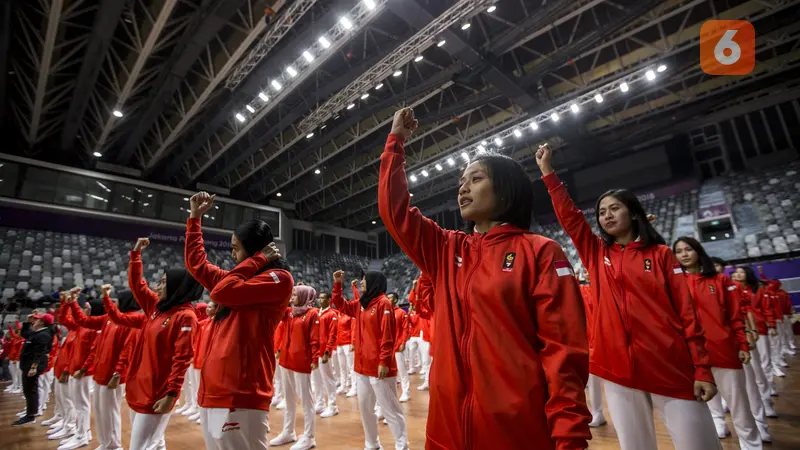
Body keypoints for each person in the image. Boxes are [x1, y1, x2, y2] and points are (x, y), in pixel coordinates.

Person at [379, 108, 591, 449]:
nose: (463, 188)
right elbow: (394, 211)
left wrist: (570, 433)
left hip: (516, 434)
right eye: (461, 182)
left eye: (476, 179)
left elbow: (563, 351)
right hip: (446, 432)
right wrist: (396, 143)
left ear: (506, 190)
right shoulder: (446, 249)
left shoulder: (541, 252)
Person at [535, 142, 719, 450]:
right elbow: (571, 219)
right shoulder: (596, 253)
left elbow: (688, 313)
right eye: (602, 212)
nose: (606, 216)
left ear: (634, 214)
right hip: (617, 371)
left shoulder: (661, 255)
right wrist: (548, 174)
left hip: (670, 367)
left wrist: (701, 368)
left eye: (615, 208)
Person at [184, 191, 293, 450]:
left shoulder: (278, 279)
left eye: (236, 248)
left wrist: (256, 261)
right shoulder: (237, 278)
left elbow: (222, 292)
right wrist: (195, 218)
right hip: (214, 390)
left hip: (242, 392)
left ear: (255, 250)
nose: (232, 255)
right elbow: (196, 265)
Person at [674, 237, 761, 449]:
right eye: (678, 251)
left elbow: (734, 316)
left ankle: (751, 444)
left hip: (724, 350)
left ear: (698, 251)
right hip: (693, 356)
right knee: (710, 404)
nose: (684, 254)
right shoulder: (675, 283)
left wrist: (742, 343)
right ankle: (720, 424)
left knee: (739, 405)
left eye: (688, 249)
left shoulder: (721, 281)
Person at [125, 237, 201, 450]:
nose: (157, 286)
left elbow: (182, 357)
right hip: (141, 385)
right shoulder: (157, 307)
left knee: (138, 446)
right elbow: (137, 286)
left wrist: (171, 394)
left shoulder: (186, 317)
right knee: (155, 444)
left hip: (157, 391)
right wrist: (136, 256)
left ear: (178, 287)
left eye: (163, 282)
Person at [331, 269, 409, 450]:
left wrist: (383, 361)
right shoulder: (361, 304)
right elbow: (340, 304)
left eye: (365, 279)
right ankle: (372, 444)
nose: (362, 281)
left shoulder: (383, 304)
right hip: (361, 367)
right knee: (366, 409)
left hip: (379, 367)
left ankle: (402, 445)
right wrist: (337, 284)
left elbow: (387, 336)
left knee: (390, 410)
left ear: (374, 282)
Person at [68, 286, 139, 450]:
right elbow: (84, 321)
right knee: (100, 411)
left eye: (118, 300)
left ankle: (114, 445)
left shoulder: (131, 320)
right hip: (100, 373)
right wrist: (73, 304)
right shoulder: (110, 318)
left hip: (112, 375)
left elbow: (127, 350)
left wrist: (118, 373)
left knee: (110, 412)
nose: (116, 303)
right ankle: (105, 443)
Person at [271, 286, 320, 449]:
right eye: (291, 294)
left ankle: (309, 436)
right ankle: (288, 431)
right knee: (289, 399)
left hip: (302, 361)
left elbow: (315, 339)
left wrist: (314, 359)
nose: (292, 297)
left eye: (294, 294)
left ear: (304, 296)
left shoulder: (312, 313)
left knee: (306, 400)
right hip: (286, 359)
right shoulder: (290, 312)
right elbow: (277, 307)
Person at [11, 312, 53, 426]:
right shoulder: (37, 333)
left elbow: (39, 352)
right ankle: (30, 413)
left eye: (37, 320)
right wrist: (26, 323)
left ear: (42, 322)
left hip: (32, 367)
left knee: (31, 390)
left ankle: (31, 416)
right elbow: (25, 334)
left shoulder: (43, 335)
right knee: (28, 390)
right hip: (28, 365)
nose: (34, 321)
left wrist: (34, 367)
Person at [578, 267, 606, 428]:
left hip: (606, 339)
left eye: (590, 268)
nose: (588, 271)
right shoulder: (581, 289)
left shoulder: (605, 289)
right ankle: (597, 412)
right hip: (589, 340)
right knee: (592, 379)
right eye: (585, 269)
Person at [189, 301, 216, 425]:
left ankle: (203, 411)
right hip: (198, 359)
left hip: (206, 361)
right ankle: (198, 408)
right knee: (197, 386)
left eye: (211, 307)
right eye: (208, 306)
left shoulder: (215, 323)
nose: (208, 309)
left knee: (204, 388)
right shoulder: (206, 323)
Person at [314, 290, 339, 418]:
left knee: (328, 379)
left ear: (329, 300)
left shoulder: (332, 314)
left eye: (323, 298)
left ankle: (333, 405)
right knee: (317, 379)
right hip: (315, 352)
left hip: (324, 352)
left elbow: (332, 334)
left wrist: (327, 351)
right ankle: (320, 403)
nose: (320, 300)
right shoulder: (316, 313)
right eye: (319, 298)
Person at [387, 292, 411, 403]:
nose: (388, 300)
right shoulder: (385, 313)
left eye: (390, 298)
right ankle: (394, 392)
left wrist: (403, 343)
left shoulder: (401, 312)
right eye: (387, 298)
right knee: (391, 372)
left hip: (398, 346)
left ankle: (406, 391)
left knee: (402, 370)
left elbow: (405, 329)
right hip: (387, 348)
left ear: (396, 299)